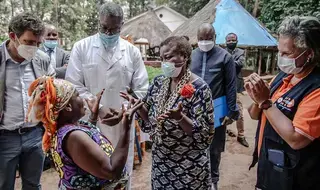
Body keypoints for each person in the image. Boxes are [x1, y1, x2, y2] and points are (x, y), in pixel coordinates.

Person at [65, 2, 149, 189]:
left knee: (120, 175)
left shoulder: (132, 52)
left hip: (122, 124)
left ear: (122, 25)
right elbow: (73, 86)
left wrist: (124, 111)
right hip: (89, 122)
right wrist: (100, 109)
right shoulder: (81, 47)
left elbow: (142, 89)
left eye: (114, 29)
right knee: (90, 173)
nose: (109, 33)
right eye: (105, 28)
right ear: (98, 22)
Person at [121, 36, 215, 190]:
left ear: (184, 56)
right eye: (162, 58)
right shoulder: (159, 83)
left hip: (189, 168)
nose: (164, 62)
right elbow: (150, 121)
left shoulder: (199, 89)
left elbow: (205, 134)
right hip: (162, 165)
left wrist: (180, 117)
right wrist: (138, 106)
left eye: (169, 57)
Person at [26, 77, 142, 189]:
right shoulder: (74, 137)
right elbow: (112, 171)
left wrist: (93, 117)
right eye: (77, 95)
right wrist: (126, 126)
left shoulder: (68, 128)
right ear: (68, 107)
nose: (82, 98)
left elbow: (85, 154)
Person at [246, 16, 320, 190]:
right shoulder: (284, 77)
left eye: (287, 53)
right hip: (271, 170)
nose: (281, 58)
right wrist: (257, 97)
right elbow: (254, 114)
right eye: (279, 51)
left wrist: (265, 101)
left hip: (298, 178)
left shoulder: (316, 88)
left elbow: (296, 139)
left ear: (309, 53)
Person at [0, 12, 55, 190]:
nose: (34, 48)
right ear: (12, 36)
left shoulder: (42, 59)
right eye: (29, 42)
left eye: (38, 43)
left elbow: (51, 90)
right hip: (5, 136)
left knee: (33, 185)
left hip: (34, 135)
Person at [191, 23, 238, 190]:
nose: (205, 42)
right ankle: (194, 178)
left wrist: (231, 112)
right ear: (196, 39)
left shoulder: (225, 58)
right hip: (193, 110)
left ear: (214, 38)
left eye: (208, 38)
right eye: (201, 39)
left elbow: (231, 86)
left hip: (216, 110)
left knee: (214, 148)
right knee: (193, 145)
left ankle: (213, 181)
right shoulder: (191, 56)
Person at [225, 33, 249, 147]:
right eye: (229, 40)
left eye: (233, 40)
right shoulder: (222, 52)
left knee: (238, 109)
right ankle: (224, 131)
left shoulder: (241, 52)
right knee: (223, 109)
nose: (231, 42)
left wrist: (227, 62)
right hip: (223, 85)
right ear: (225, 41)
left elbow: (239, 64)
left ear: (237, 41)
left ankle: (241, 135)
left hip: (235, 86)